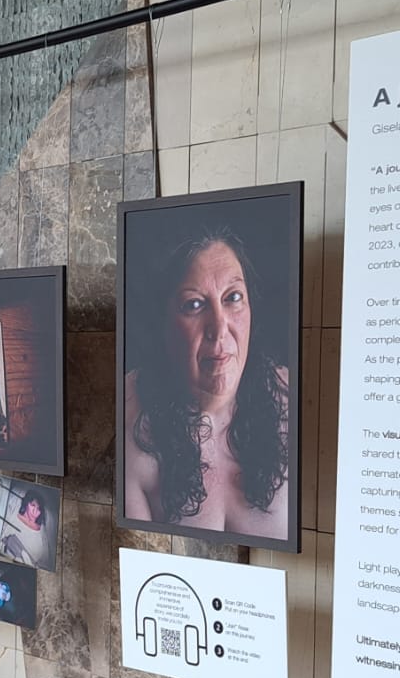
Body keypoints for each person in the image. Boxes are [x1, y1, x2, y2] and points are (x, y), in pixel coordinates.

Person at [123, 230, 291, 542]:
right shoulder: (128, 416)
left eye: (233, 298)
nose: (219, 327)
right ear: (165, 324)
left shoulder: (294, 402)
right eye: (195, 305)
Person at [0, 488, 53, 570]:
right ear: (26, 503)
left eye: (39, 509)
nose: (35, 511)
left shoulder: (42, 529)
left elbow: (46, 562)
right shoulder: (13, 518)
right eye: (33, 505)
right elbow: (3, 539)